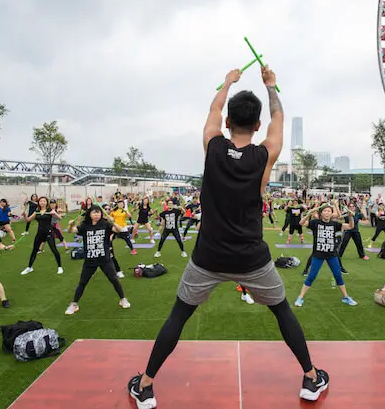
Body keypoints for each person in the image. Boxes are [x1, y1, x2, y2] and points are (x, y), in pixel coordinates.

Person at [128, 67, 328, 408]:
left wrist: (227, 82)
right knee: (281, 311)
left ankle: (145, 385)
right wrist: (271, 86)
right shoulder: (264, 155)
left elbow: (213, 111)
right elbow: (278, 117)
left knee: (179, 315)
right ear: (256, 126)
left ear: (227, 124)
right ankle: (310, 378)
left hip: (209, 256)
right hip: (252, 258)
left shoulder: (213, 146)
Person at [64, 205, 131, 314]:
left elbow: (120, 231)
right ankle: (74, 304)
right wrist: (70, 225)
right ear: (89, 214)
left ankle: (123, 299)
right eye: (94, 212)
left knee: (114, 279)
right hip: (90, 260)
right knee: (82, 282)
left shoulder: (105, 224)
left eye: (98, 212)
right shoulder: (85, 225)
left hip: (105, 259)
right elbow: (71, 231)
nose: (96, 214)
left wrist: (112, 222)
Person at [294, 202, 358, 307]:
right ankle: (300, 298)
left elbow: (350, 226)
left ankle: (346, 297)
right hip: (318, 255)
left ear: (331, 213)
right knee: (311, 276)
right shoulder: (315, 223)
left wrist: (350, 216)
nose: (327, 213)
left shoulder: (335, 224)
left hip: (332, 255)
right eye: (325, 211)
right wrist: (308, 215)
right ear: (321, 213)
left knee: (338, 276)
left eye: (329, 211)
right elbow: (301, 223)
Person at [20, 197, 64, 275]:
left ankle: (59, 267)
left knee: (54, 250)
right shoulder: (37, 211)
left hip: (49, 233)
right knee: (34, 250)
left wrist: (54, 213)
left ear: (46, 203)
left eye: (44, 201)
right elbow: (28, 220)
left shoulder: (50, 210)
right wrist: (24, 215)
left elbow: (60, 218)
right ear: (39, 202)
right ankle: (29, 267)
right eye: (41, 201)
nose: (42, 202)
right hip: (39, 234)